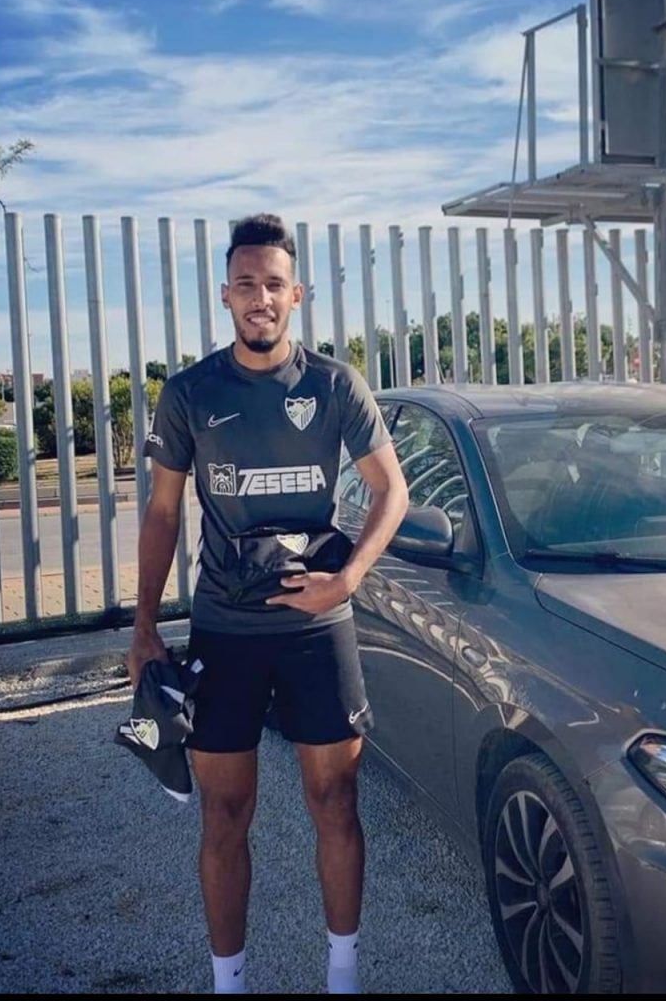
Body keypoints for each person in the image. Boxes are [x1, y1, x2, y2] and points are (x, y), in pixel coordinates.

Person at [126, 213, 409, 995]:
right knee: (224, 815)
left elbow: (392, 491)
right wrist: (144, 627)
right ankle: (230, 983)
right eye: (246, 284)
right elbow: (161, 513)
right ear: (226, 295)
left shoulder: (334, 385)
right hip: (226, 628)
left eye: (274, 284)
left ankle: (343, 978)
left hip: (319, 625)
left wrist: (347, 580)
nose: (261, 297)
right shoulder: (190, 393)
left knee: (336, 799)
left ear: (297, 295)